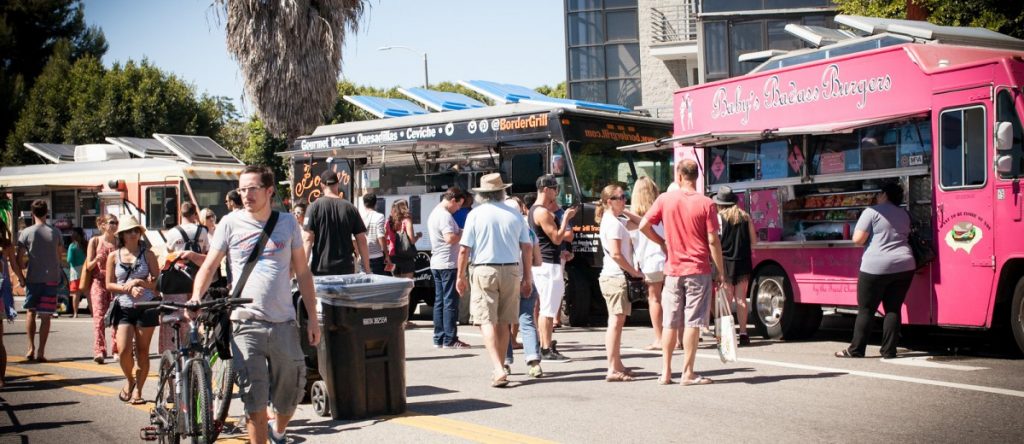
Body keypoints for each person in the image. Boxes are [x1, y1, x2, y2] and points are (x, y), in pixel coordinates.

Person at [188, 165, 320, 444]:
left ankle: (279, 430)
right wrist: (196, 295)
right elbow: (210, 265)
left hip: (284, 322)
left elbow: (303, 272)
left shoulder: (287, 224)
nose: (245, 194)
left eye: (252, 188)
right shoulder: (229, 224)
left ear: (269, 190)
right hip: (245, 323)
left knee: (292, 392)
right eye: (242, 189)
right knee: (254, 400)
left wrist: (312, 318)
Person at [639, 159, 726, 386]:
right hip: (698, 268)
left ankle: (665, 372)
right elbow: (713, 240)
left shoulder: (665, 199)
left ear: (679, 177)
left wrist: (662, 243)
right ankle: (687, 373)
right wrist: (721, 270)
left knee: (670, 323)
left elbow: (643, 226)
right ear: (697, 178)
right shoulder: (706, 203)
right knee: (692, 322)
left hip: (673, 269)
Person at [456, 173, 533, 388]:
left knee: (485, 319)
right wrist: (527, 277)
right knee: (504, 321)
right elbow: (526, 247)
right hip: (510, 269)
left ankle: (498, 367)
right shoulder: (515, 214)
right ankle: (500, 366)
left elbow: (464, 250)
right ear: (501, 192)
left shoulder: (475, 214)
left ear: (482, 194)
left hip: (484, 269)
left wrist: (460, 276)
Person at [837, 181, 916, 359]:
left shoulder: (872, 212)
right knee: (893, 309)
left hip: (876, 267)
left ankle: (856, 350)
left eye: (879, 193)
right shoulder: (905, 213)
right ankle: (889, 351)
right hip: (904, 266)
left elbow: (857, 239)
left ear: (885, 195)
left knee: (866, 309)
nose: (877, 196)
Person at [105, 215, 160, 404]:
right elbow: (109, 285)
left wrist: (140, 282)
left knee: (143, 352)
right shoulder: (114, 256)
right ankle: (130, 381)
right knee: (123, 351)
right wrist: (127, 287)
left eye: (136, 230)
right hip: (124, 307)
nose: (134, 234)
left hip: (146, 306)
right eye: (130, 231)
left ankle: (139, 392)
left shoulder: (148, 254)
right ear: (122, 235)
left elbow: (157, 283)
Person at [596, 184, 643, 382]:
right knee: (615, 322)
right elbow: (616, 254)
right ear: (609, 201)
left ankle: (617, 364)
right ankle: (612, 368)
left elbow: (642, 223)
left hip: (614, 276)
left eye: (625, 196)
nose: (624, 200)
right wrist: (634, 272)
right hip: (616, 277)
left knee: (617, 322)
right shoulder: (613, 223)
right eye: (620, 197)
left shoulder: (615, 220)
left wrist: (625, 210)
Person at [530, 174, 577, 363]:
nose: (557, 192)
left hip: (547, 262)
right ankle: (545, 348)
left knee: (548, 307)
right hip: (548, 263)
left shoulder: (536, 210)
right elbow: (557, 238)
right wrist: (565, 218)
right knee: (548, 309)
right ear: (546, 189)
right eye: (555, 188)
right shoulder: (542, 212)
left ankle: (546, 344)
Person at [16, 200, 65, 363]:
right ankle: (41, 352)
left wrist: (21, 276)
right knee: (46, 316)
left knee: (31, 311)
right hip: (51, 278)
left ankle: (30, 347)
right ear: (47, 212)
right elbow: (60, 255)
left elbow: (19, 258)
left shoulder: (26, 233)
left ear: (32, 212)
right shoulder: (56, 232)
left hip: (33, 278)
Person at [158, 202, 209, 354]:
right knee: (195, 313)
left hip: (177, 278)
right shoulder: (203, 231)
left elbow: (169, 251)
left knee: (177, 314)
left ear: (180, 214)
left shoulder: (173, 232)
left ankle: (174, 350)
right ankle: (194, 346)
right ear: (195, 214)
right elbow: (206, 251)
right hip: (198, 277)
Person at [631, 176, 672, 350]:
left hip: (650, 261)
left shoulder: (633, 220)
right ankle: (674, 337)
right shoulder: (662, 213)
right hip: (668, 258)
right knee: (672, 300)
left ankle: (660, 338)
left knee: (654, 299)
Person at [504, 196, 542, 378]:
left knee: (503, 322)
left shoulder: (502, 230)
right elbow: (538, 261)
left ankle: (505, 362)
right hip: (527, 281)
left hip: (506, 281)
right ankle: (534, 361)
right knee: (527, 321)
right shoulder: (529, 231)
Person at [428, 187, 470, 349]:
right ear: (453, 200)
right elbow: (450, 238)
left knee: (440, 302)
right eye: (459, 205)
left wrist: (459, 230)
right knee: (450, 302)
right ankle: (450, 339)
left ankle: (439, 337)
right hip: (448, 263)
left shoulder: (435, 213)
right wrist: (465, 234)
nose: (458, 209)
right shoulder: (445, 216)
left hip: (437, 262)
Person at [304, 170, 370, 275]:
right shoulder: (350, 208)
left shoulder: (313, 207)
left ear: (321, 185)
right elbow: (361, 240)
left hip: (321, 268)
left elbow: (307, 239)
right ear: (337, 184)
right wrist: (367, 269)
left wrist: (302, 270)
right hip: (346, 268)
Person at [714, 186, 755, 346]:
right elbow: (754, 241)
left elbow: (715, 242)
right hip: (743, 262)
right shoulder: (746, 217)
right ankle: (744, 334)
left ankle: (727, 336)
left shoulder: (719, 219)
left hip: (724, 262)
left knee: (725, 300)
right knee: (741, 299)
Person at [85, 214, 120, 364]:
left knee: (116, 318)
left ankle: (117, 350)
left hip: (115, 283)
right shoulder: (95, 241)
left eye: (116, 223)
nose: (114, 225)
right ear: (103, 225)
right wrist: (96, 260)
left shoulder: (119, 242)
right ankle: (99, 350)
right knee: (99, 317)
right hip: (99, 283)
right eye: (111, 222)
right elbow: (88, 266)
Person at [0, 217, 26, 387]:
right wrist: (21, 278)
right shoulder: (6, 246)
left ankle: (1, 378)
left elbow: (15, 265)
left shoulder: (6, 246)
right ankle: (1, 377)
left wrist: (21, 278)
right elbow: (15, 266)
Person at [386, 199, 420, 279]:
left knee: (396, 285)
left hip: (393, 256)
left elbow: (385, 238)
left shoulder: (389, 221)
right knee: (407, 286)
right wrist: (418, 236)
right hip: (406, 257)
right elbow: (412, 240)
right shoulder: (407, 220)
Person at [360, 194, 390, 275]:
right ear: (375, 203)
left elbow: (354, 238)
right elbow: (380, 236)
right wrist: (386, 255)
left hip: (363, 257)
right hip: (376, 257)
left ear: (364, 204)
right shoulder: (379, 216)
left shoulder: (360, 217)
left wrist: (359, 254)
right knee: (378, 284)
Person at [67, 227, 87, 318]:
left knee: (76, 294)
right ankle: (93, 312)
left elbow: (69, 259)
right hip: (86, 271)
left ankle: (75, 313)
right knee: (88, 293)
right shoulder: (86, 244)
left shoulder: (72, 246)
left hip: (75, 272)